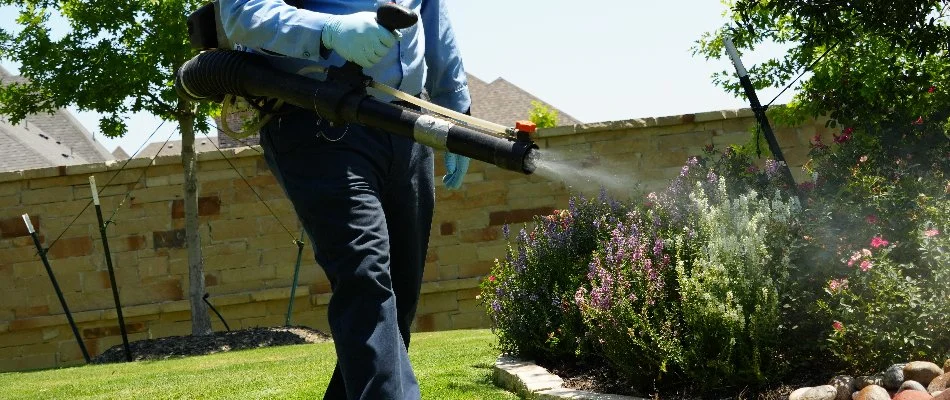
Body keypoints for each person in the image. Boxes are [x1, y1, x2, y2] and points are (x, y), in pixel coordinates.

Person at [218, 1, 471, 399]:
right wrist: (331, 30)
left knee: (398, 299)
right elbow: (242, 13)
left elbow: (433, 18)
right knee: (365, 280)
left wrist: (456, 107)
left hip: (407, 123)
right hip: (317, 119)